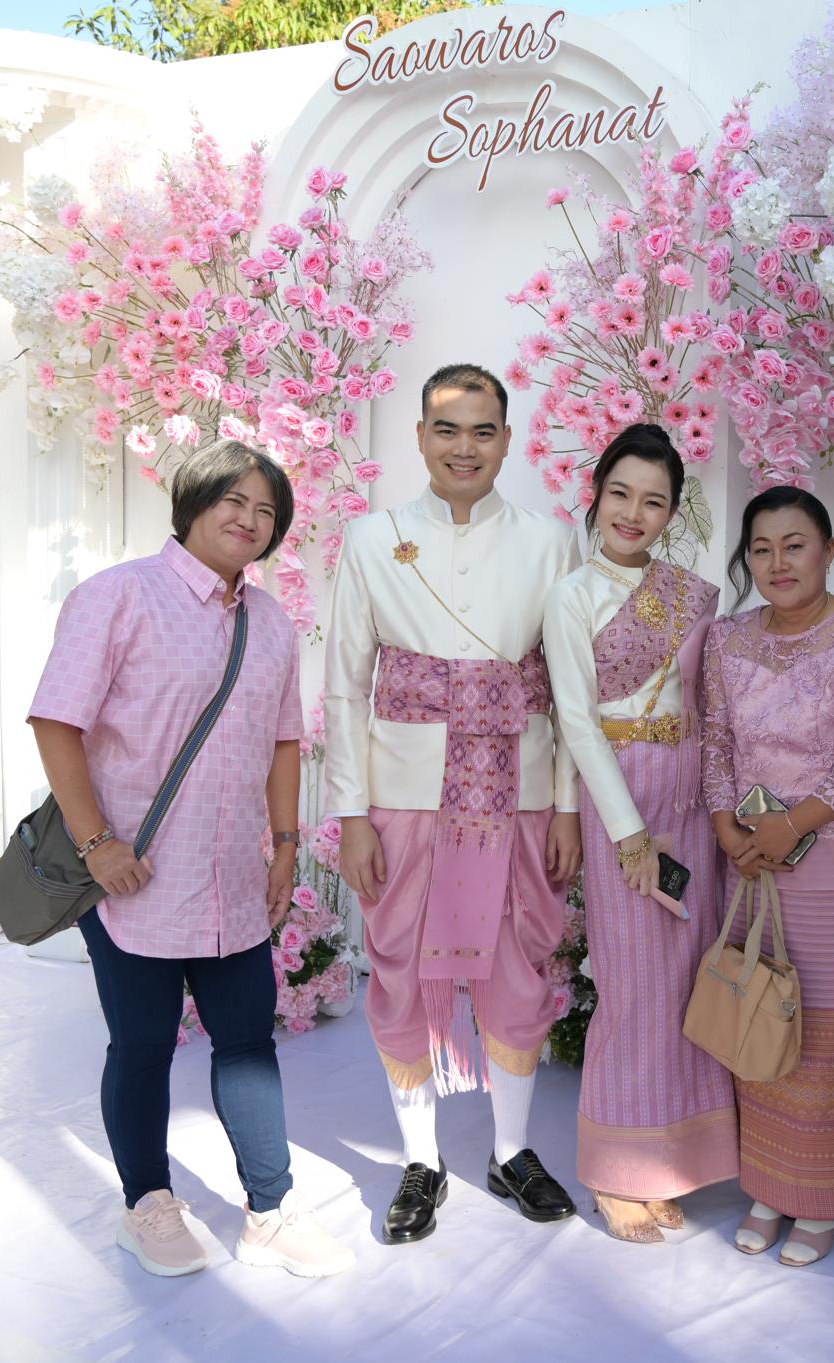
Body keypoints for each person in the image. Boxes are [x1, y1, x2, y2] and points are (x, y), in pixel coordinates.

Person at [27, 440, 354, 1280]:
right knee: (141, 1045)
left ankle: (271, 1210)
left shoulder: (270, 623)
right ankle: (147, 1203)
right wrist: (98, 843)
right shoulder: (118, 596)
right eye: (233, 500)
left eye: (267, 510)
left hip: (232, 878)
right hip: (131, 879)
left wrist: (285, 846)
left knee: (247, 1043)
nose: (249, 519)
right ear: (193, 502)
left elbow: (284, 741)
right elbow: (57, 720)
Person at [324, 362, 583, 1245]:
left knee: (519, 969)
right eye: (446, 428)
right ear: (420, 437)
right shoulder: (373, 538)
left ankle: (511, 1150)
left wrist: (567, 807)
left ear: (507, 440)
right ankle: (420, 1160)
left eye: (482, 430)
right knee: (400, 968)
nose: (463, 447)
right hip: (404, 793)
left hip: (520, 792)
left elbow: (568, 689)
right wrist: (351, 814)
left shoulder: (551, 541)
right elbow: (345, 684)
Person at [700, 487, 834, 1267]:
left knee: (826, 1031)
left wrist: (795, 824)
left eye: (795, 544)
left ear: (829, 551)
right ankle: (767, 1183)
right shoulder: (726, 638)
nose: (778, 562)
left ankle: (823, 1196)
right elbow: (716, 741)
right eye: (762, 548)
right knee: (759, 1016)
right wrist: (726, 825)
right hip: (752, 863)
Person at [542, 424, 737, 1243]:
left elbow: (710, 706)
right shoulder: (572, 595)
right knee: (632, 986)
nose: (633, 512)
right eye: (620, 493)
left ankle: (672, 1162)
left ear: (671, 513)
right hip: (620, 792)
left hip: (688, 795)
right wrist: (627, 832)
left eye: (653, 501)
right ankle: (617, 1168)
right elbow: (577, 721)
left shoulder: (689, 593)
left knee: (686, 980)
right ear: (596, 496)